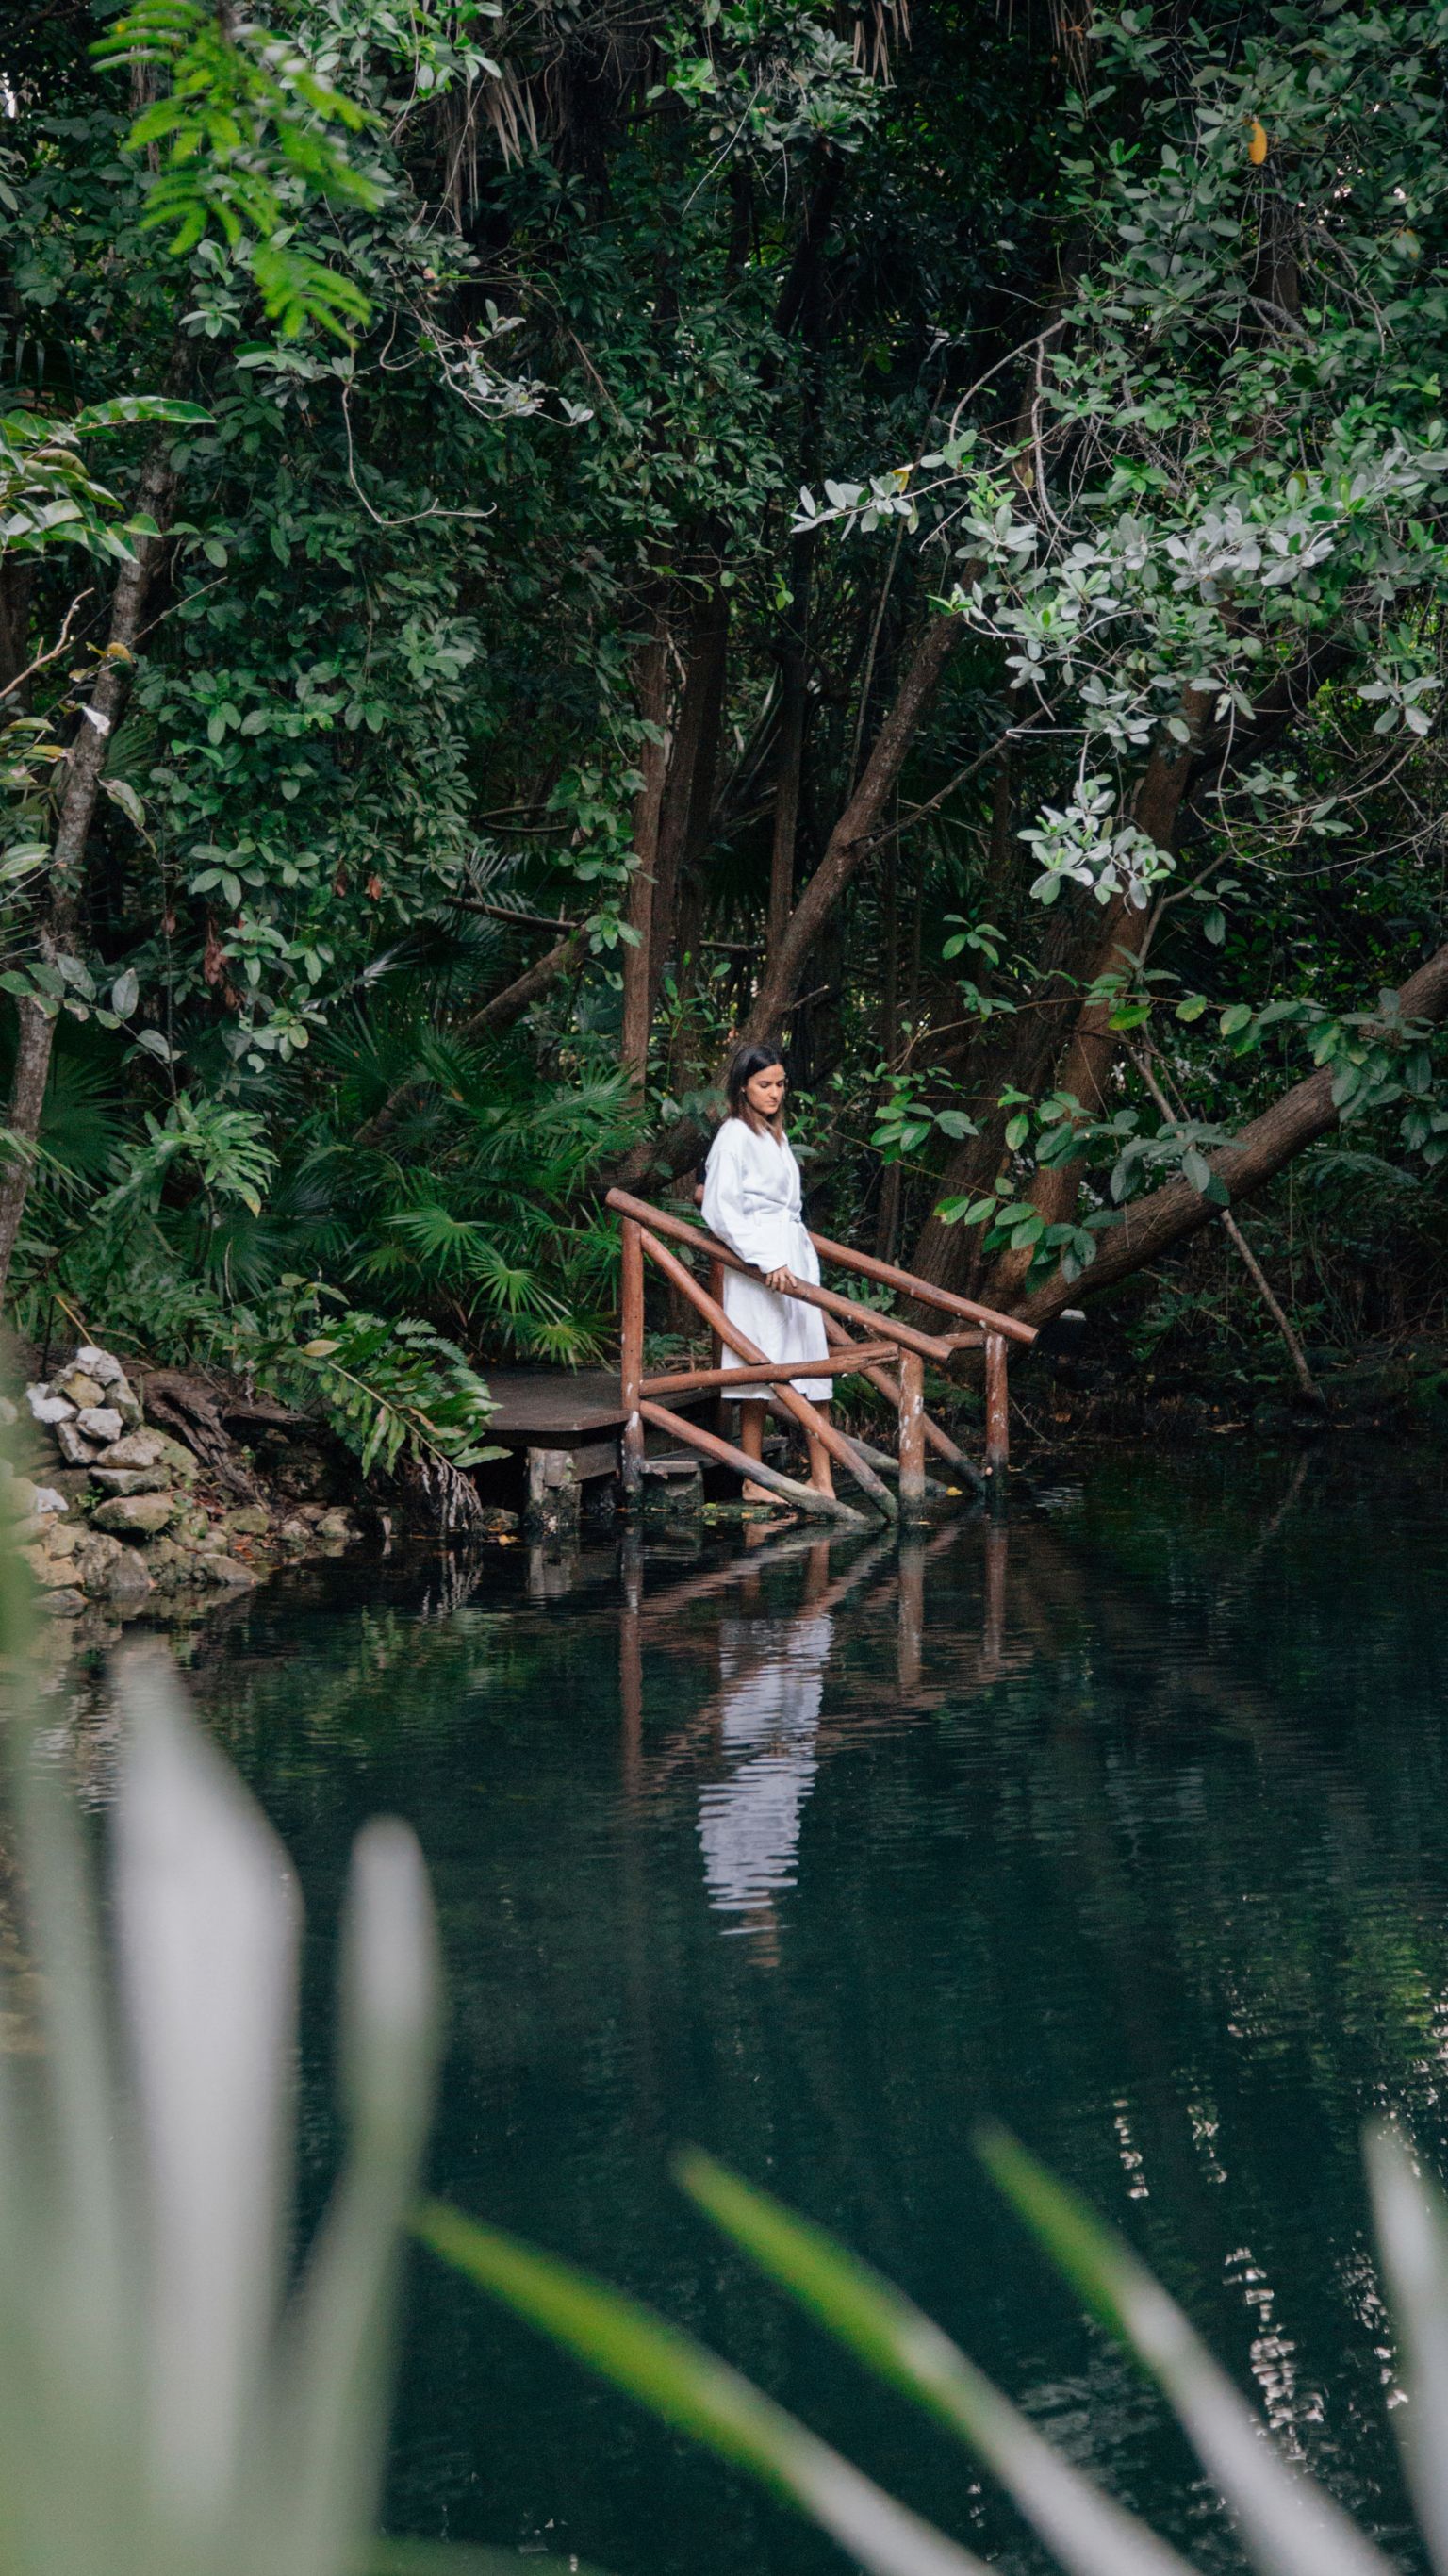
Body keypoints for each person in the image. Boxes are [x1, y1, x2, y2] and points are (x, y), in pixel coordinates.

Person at [701, 1043, 835, 1501]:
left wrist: (789, 1256)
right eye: (764, 1085)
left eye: (780, 1084)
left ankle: (822, 1479)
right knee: (758, 1367)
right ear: (743, 1086)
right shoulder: (733, 1136)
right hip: (759, 1260)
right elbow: (720, 1209)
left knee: (814, 1365)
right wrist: (765, 1258)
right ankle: (754, 1480)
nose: (774, 1093)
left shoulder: (775, 1136)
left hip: (791, 1253)